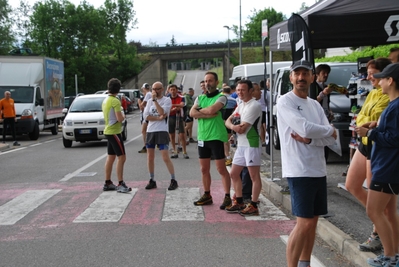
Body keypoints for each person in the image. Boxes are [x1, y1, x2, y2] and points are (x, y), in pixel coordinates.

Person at [276, 60, 337, 267]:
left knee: (313, 222)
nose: (301, 77)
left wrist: (312, 139)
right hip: (299, 169)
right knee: (304, 223)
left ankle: (305, 263)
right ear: (291, 78)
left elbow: (326, 139)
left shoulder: (315, 104)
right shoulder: (285, 102)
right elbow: (305, 128)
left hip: (318, 169)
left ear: (313, 77)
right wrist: (328, 130)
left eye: (305, 73)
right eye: (297, 74)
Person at [345, 57, 391, 252]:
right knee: (351, 185)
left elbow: (378, 119)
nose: (369, 76)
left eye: (373, 73)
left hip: (376, 145)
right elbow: (363, 115)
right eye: (368, 73)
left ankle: (378, 232)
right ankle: (380, 220)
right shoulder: (372, 93)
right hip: (364, 143)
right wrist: (366, 121)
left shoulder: (390, 94)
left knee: (377, 197)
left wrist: (366, 121)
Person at [355, 63, 399, 267]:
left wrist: (370, 133)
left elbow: (394, 138)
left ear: (390, 81)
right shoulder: (393, 104)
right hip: (387, 165)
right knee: (388, 212)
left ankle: (390, 257)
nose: (378, 81)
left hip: (387, 166)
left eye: (382, 78)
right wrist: (375, 125)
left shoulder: (396, 106)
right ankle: (393, 255)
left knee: (373, 211)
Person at [190, 71, 232, 209]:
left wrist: (201, 113)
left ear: (216, 82)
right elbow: (191, 113)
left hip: (216, 136)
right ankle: (207, 195)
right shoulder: (200, 98)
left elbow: (212, 109)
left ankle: (227, 197)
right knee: (204, 169)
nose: (208, 83)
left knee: (221, 169)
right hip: (202, 137)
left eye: (210, 81)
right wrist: (207, 114)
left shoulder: (221, 97)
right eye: (206, 81)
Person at [225, 79, 262, 216]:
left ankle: (253, 204)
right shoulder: (241, 105)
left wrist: (233, 127)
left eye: (243, 90)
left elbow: (242, 128)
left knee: (254, 176)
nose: (240, 92)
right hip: (241, 145)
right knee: (234, 173)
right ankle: (239, 201)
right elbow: (228, 121)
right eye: (238, 90)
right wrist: (233, 126)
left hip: (251, 145)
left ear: (250, 91)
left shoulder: (254, 105)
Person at [143, 81, 178, 191]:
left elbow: (163, 112)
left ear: (162, 89)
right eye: (154, 89)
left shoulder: (166, 100)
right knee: (150, 157)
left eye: (158, 89)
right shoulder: (149, 102)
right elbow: (146, 116)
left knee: (165, 157)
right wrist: (158, 118)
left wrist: (155, 101)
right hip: (151, 131)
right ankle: (151, 179)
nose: (155, 91)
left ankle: (173, 179)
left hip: (162, 131)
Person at [102, 78, 131, 193]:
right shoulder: (115, 101)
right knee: (122, 157)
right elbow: (119, 118)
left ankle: (108, 182)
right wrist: (123, 115)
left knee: (111, 157)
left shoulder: (106, 100)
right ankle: (120, 183)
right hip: (114, 131)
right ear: (118, 89)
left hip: (108, 131)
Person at [167, 84, 188, 159]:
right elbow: (165, 107)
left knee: (182, 135)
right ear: (169, 90)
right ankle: (174, 151)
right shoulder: (167, 98)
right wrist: (175, 107)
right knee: (172, 135)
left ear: (176, 90)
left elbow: (182, 105)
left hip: (179, 117)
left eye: (174, 89)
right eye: (171, 90)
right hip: (170, 116)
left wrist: (172, 106)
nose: (173, 91)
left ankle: (184, 151)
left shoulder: (181, 97)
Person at [221, 86, 237, 166]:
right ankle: (228, 155)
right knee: (228, 139)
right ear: (230, 91)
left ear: (223, 91)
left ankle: (227, 156)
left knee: (224, 141)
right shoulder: (234, 100)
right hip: (231, 121)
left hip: (221, 121)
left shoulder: (220, 100)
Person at [138, 83, 152, 153]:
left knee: (144, 131)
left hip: (147, 115)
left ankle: (146, 146)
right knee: (147, 130)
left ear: (144, 88)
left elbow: (142, 104)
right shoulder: (150, 93)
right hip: (148, 114)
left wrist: (139, 102)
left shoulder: (148, 94)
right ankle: (147, 145)